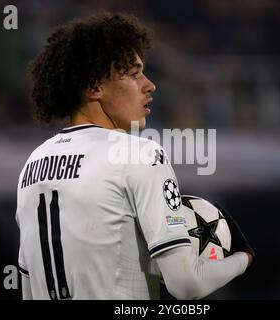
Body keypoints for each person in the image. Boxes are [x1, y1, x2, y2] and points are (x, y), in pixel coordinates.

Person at [16, 12, 254, 300]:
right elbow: (186, 284)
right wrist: (243, 257)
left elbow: (28, 290)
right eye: (133, 73)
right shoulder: (140, 152)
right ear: (95, 87)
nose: (149, 84)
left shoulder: (32, 165)